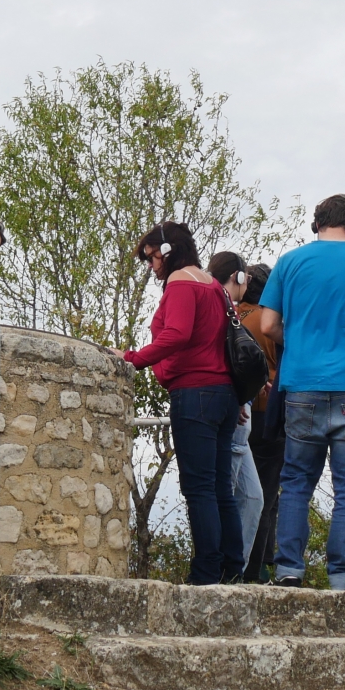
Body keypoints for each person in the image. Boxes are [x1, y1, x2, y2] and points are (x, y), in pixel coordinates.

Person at [257, 195, 345, 591]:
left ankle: (289, 571)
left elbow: (268, 325)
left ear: (317, 224)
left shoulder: (290, 262)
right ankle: (342, 579)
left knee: (296, 482)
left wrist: (300, 340)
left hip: (303, 384)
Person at [122, 227, 238, 583]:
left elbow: (177, 333)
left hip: (195, 393)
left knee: (199, 487)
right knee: (220, 486)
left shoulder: (181, 282)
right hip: (225, 394)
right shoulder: (214, 285)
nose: (151, 265)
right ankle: (233, 570)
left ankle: (205, 575)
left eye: (152, 256)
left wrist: (133, 358)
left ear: (168, 250)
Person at [206, 251, 264, 575]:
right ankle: (219, 572)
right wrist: (237, 396)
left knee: (252, 498)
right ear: (238, 277)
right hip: (234, 416)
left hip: (241, 414)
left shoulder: (230, 309)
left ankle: (233, 572)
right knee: (223, 495)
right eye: (246, 277)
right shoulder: (219, 307)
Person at [236, 262, 285, 584]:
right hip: (268, 408)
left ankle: (236, 563)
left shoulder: (232, 316)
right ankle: (258, 567)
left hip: (237, 409)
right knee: (265, 494)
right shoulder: (269, 320)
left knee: (237, 490)